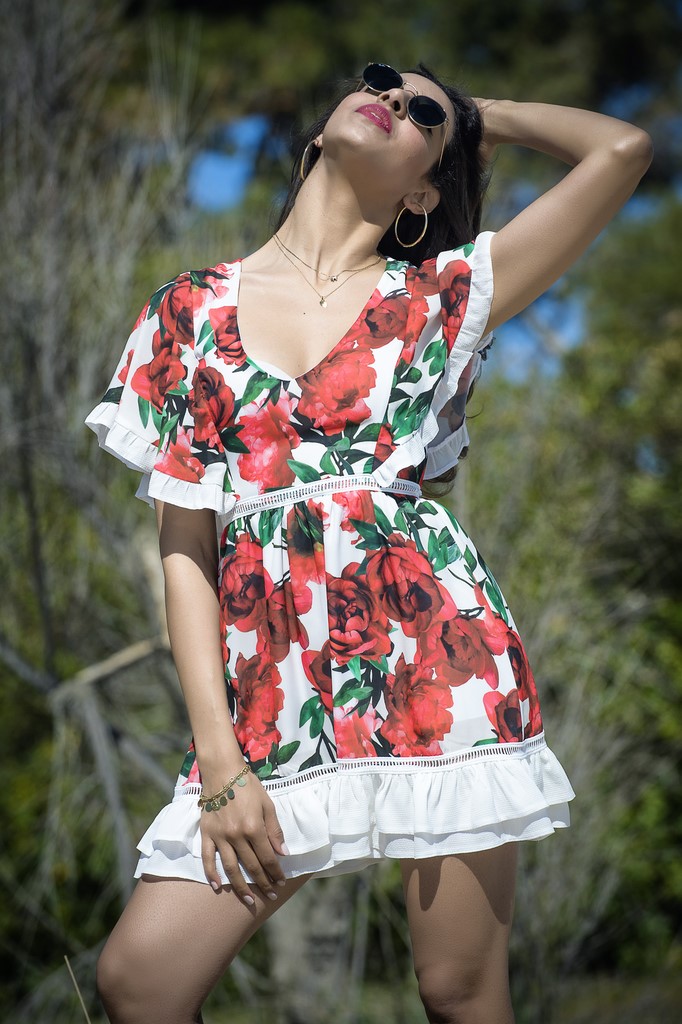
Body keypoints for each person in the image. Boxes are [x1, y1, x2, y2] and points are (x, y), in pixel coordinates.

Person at [86, 62, 652, 1024]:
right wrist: (219, 759)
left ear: (426, 190)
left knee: (457, 989)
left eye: (419, 112)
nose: (393, 101)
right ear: (317, 132)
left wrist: (476, 115)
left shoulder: (446, 293)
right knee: (140, 979)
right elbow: (185, 551)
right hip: (270, 702)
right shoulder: (187, 310)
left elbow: (623, 148)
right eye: (383, 84)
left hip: (439, 666)